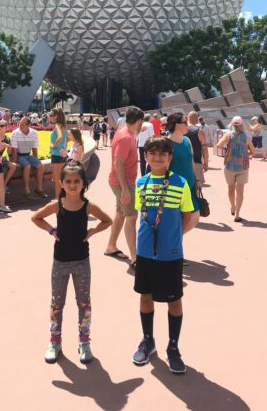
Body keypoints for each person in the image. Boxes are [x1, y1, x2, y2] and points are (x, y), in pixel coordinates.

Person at [31, 160, 112, 364]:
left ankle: (84, 341)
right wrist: (52, 230)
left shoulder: (88, 206)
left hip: (82, 262)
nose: (73, 185)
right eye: (68, 181)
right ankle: (54, 341)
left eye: (77, 181)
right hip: (60, 262)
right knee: (57, 304)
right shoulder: (57, 205)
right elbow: (36, 218)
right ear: (61, 182)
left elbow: (107, 220)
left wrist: (93, 231)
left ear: (83, 183)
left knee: (84, 303)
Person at [132, 136, 199, 374]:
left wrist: (174, 237)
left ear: (170, 158)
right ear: (146, 156)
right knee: (145, 295)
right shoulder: (141, 182)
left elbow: (188, 216)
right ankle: (148, 340)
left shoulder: (180, 183)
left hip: (170, 254)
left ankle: (173, 346)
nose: (157, 157)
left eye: (162, 154)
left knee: (174, 299)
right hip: (145, 252)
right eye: (152, 153)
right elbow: (142, 215)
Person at [105, 106, 144, 265]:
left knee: (121, 213)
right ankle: (135, 258)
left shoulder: (124, 132)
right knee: (132, 216)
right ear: (139, 120)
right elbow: (118, 163)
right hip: (123, 183)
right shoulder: (126, 137)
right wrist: (126, 188)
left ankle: (111, 246)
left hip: (121, 182)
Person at [217, 116, 255, 222]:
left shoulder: (228, 135)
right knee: (240, 191)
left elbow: (218, 145)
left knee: (230, 189)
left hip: (229, 166)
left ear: (232, 125)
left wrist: (227, 149)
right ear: (242, 125)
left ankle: (232, 207)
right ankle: (237, 214)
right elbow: (253, 152)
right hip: (243, 167)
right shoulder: (246, 138)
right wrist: (247, 154)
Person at [6, 116, 46, 200]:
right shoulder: (15, 133)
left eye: (22, 124)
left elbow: (35, 149)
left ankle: (39, 189)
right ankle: (26, 192)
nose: (20, 125)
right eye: (20, 123)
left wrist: (36, 161)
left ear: (28, 126)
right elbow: (15, 150)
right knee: (27, 166)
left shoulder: (34, 133)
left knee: (40, 166)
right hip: (18, 155)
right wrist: (15, 163)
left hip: (28, 155)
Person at [167, 112, 200, 213]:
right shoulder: (167, 143)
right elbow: (165, 169)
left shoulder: (187, 140)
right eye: (185, 122)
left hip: (190, 185)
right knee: (182, 219)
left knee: (194, 216)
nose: (188, 124)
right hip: (176, 187)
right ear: (177, 125)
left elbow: (192, 162)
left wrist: (197, 180)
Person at [49, 108, 69, 198]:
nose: (49, 117)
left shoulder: (57, 125)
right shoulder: (63, 125)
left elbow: (60, 137)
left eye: (51, 115)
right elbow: (66, 139)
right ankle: (64, 199)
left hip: (56, 154)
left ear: (56, 116)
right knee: (62, 179)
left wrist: (53, 145)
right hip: (63, 154)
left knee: (57, 181)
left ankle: (58, 202)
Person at [186, 111, 209, 186]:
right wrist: (206, 162)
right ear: (197, 120)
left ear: (187, 118)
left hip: (184, 162)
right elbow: (204, 149)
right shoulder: (199, 131)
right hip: (196, 161)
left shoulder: (181, 130)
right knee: (197, 187)